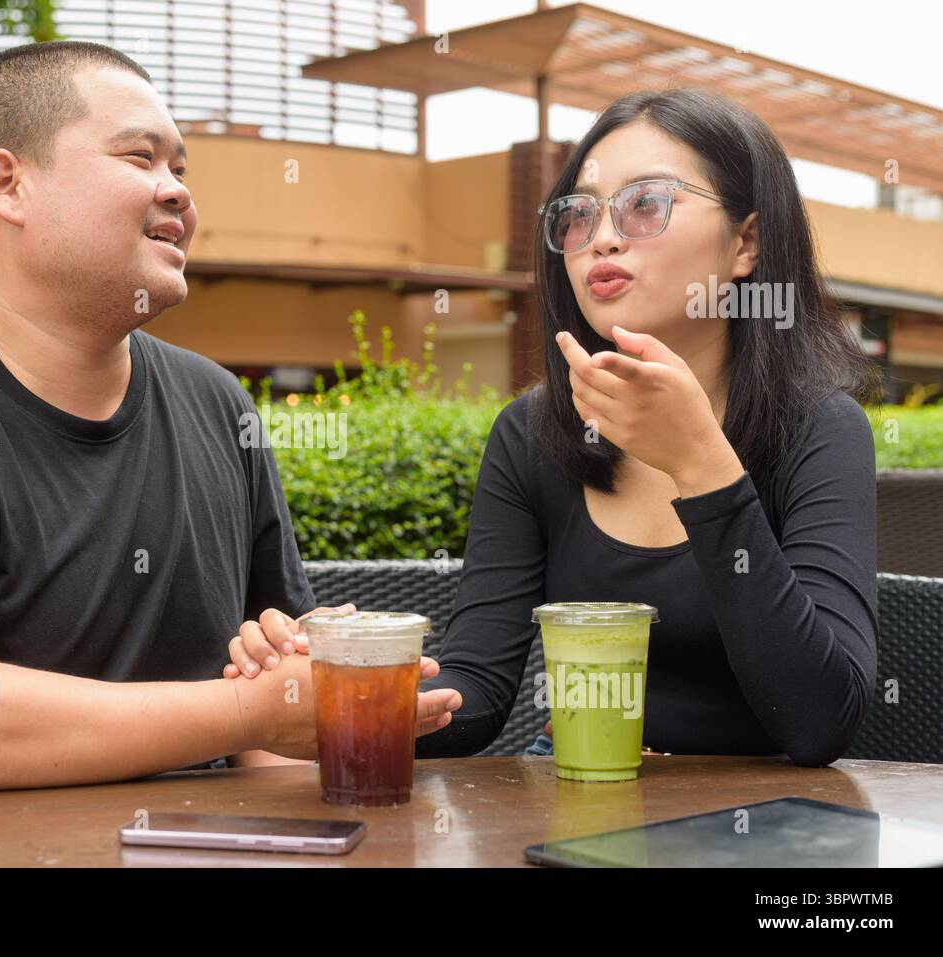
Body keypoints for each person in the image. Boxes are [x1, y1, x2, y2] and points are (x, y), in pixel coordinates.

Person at [0, 40, 461, 820]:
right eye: (139, 157)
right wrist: (251, 712)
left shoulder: (217, 405)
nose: (178, 191)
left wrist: (315, 697)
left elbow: (266, 728)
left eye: (181, 169)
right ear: (8, 183)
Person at [225, 88, 881, 768]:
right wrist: (346, 677)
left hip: (769, 811)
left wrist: (703, 468)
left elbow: (820, 721)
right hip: (582, 793)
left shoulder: (818, 429)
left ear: (746, 243)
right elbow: (478, 691)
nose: (602, 237)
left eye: (646, 203)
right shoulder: (534, 433)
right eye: (580, 213)